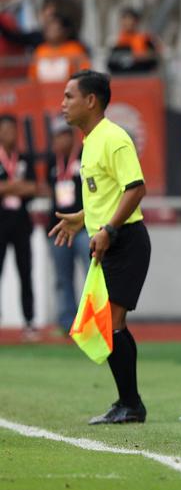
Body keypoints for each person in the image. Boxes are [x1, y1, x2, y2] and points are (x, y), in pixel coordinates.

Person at [50, 70, 151, 425]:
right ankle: (128, 402)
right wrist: (83, 217)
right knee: (109, 324)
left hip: (126, 242)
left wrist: (108, 228)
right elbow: (107, 194)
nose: (63, 104)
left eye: (69, 96)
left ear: (90, 101)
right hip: (109, 242)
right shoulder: (91, 140)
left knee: (111, 323)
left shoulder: (113, 138)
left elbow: (135, 188)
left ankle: (131, 405)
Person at [46, 118, 89, 337]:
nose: (57, 141)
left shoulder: (84, 156)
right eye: (54, 136)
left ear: (70, 135)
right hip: (59, 228)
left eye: (61, 135)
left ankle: (92, 322)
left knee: (92, 275)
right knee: (63, 278)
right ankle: (67, 323)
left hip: (83, 227)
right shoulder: (53, 162)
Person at [0, 115, 37, 341]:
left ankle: (29, 322)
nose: (10, 134)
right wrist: (15, 186)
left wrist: (8, 187)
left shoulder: (24, 158)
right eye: (5, 130)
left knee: (26, 272)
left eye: (13, 130)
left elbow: (34, 187)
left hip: (22, 224)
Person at [30, 14, 90, 83]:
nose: (50, 32)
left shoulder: (75, 49)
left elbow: (85, 75)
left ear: (65, 31)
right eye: (48, 28)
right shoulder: (40, 50)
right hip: (44, 91)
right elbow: (32, 77)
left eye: (54, 28)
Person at [107, 8, 161, 76]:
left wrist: (144, 56)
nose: (128, 23)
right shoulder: (116, 41)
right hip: (121, 79)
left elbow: (155, 59)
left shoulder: (145, 39)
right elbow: (110, 64)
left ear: (136, 22)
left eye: (130, 19)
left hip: (143, 78)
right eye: (125, 19)